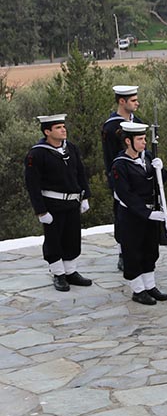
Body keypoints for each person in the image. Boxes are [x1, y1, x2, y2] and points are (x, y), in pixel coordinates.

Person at [24, 114, 92, 292]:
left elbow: (80, 173)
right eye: (58, 127)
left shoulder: (71, 148)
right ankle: (58, 274)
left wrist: (84, 196)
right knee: (54, 240)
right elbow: (32, 184)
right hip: (52, 204)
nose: (64, 130)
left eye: (63, 126)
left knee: (72, 237)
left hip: (72, 203)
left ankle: (70, 272)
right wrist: (40, 211)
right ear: (47, 131)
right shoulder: (37, 153)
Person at [110, 121, 167, 305]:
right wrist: (146, 213)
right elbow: (125, 194)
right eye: (140, 139)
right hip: (132, 215)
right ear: (128, 141)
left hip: (150, 213)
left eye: (144, 138)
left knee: (150, 250)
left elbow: (159, 182)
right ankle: (138, 289)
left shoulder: (148, 157)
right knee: (133, 252)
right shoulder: (120, 165)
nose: (144, 142)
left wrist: (161, 170)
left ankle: (149, 285)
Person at [102, 84, 142, 271]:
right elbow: (110, 157)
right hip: (122, 178)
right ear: (121, 101)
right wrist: (115, 183)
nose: (137, 103)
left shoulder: (137, 121)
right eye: (133, 101)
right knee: (123, 217)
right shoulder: (111, 128)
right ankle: (123, 252)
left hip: (139, 177)